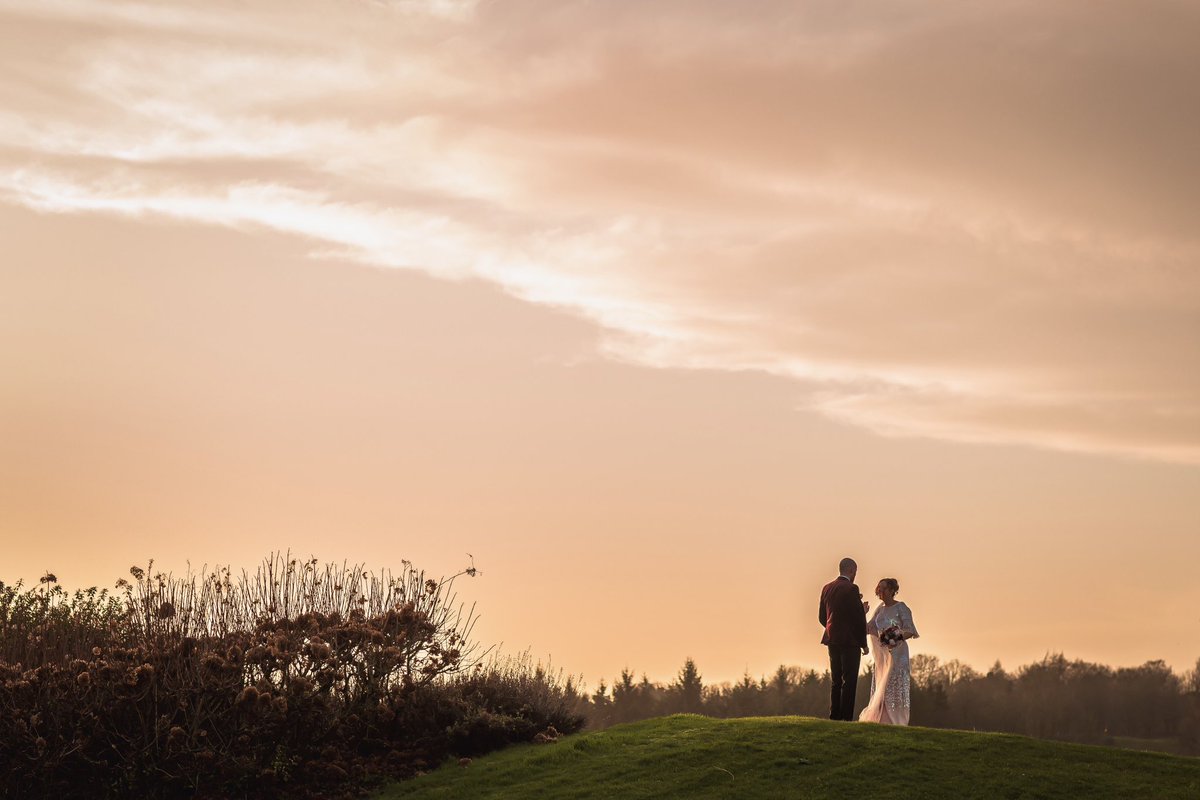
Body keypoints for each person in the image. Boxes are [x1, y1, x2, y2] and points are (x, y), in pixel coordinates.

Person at [859, 577, 919, 725]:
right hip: (882, 657)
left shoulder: (901, 608)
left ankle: (895, 721)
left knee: (894, 687)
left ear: (892, 590)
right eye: (878, 588)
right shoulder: (879, 609)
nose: (880, 591)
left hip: (898, 655)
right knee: (882, 686)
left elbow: (910, 630)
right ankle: (881, 720)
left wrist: (893, 638)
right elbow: (869, 628)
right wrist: (862, 613)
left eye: (883, 588)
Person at [818, 557, 868, 721]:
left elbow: (821, 617)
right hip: (849, 641)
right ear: (852, 570)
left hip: (832, 639)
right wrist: (863, 643)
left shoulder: (827, 588)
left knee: (836, 679)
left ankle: (834, 716)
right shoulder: (851, 588)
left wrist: (832, 628)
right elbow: (857, 618)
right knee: (850, 680)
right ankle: (846, 717)